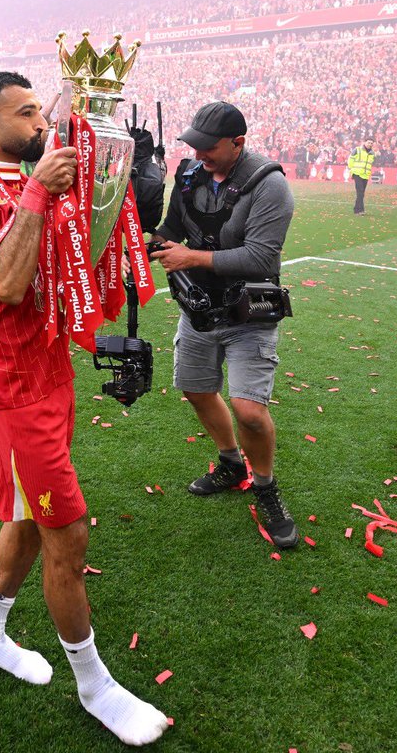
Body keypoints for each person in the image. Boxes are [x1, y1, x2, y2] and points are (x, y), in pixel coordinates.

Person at [0, 71, 169, 747]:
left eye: (43, 111)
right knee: (67, 531)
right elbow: (6, 283)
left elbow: (74, 262)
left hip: (49, 375)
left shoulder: (35, 180)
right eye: (28, 113)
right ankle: (96, 687)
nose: (42, 124)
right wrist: (40, 191)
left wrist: (115, 184)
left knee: (28, 519)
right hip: (6, 390)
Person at [150, 101, 298, 549]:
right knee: (197, 391)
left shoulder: (269, 184)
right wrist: (137, 230)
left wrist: (191, 258)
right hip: (197, 309)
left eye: (208, 148)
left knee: (250, 410)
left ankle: (265, 486)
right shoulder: (190, 175)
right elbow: (170, 230)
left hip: (248, 313)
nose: (198, 155)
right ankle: (232, 464)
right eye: (194, 146)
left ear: (238, 143)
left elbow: (261, 257)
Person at [347, 137, 375, 215]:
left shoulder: (372, 153)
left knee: (362, 193)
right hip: (357, 173)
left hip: (365, 175)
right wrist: (351, 170)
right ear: (364, 142)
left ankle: (359, 209)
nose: (370, 144)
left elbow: (371, 163)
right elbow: (350, 160)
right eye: (368, 142)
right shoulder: (357, 150)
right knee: (360, 192)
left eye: (371, 143)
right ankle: (358, 210)